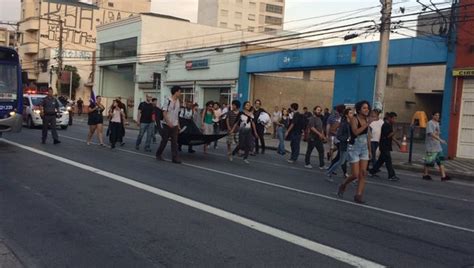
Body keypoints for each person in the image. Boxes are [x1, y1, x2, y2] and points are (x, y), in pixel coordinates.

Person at [337, 100, 372, 204]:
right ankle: (343, 184)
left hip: (364, 148)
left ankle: (358, 195)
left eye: (367, 108)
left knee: (363, 173)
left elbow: (368, 137)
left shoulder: (366, 120)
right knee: (355, 174)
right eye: (364, 108)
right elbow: (355, 132)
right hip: (354, 148)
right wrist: (367, 124)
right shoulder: (354, 119)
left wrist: (370, 151)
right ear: (359, 109)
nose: (367, 110)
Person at [369, 112, 400, 181]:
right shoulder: (386, 125)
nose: (395, 120)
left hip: (386, 145)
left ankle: (372, 171)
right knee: (388, 161)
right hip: (384, 145)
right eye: (394, 118)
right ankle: (391, 175)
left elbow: (390, 136)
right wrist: (396, 131)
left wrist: (397, 142)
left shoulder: (389, 125)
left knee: (381, 160)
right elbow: (388, 135)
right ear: (389, 118)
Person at [156, 86, 182, 164]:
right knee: (164, 140)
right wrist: (168, 122)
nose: (180, 93)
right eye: (180, 91)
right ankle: (158, 154)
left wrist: (178, 124)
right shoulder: (168, 100)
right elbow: (164, 112)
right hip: (166, 124)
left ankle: (175, 158)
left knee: (174, 142)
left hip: (175, 125)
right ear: (176, 92)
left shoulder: (178, 101)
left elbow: (177, 114)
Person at [422, 112, 451, 181]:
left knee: (441, 160)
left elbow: (436, 133)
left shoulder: (437, 123)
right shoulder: (430, 123)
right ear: (432, 116)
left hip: (437, 146)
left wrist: (439, 136)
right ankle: (425, 175)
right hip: (431, 146)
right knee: (428, 161)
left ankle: (443, 176)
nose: (437, 116)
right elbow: (430, 133)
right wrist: (440, 139)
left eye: (438, 115)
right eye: (436, 115)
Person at [326, 108, 353, 181]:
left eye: (352, 113)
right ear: (346, 115)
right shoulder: (343, 124)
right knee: (341, 161)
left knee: (349, 160)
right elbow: (338, 135)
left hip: (349, 145)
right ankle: (329, 173)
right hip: (343, 144)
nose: (352, 114)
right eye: (350, 113)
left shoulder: (350, 123)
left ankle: (353, 176)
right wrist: (346, 139)